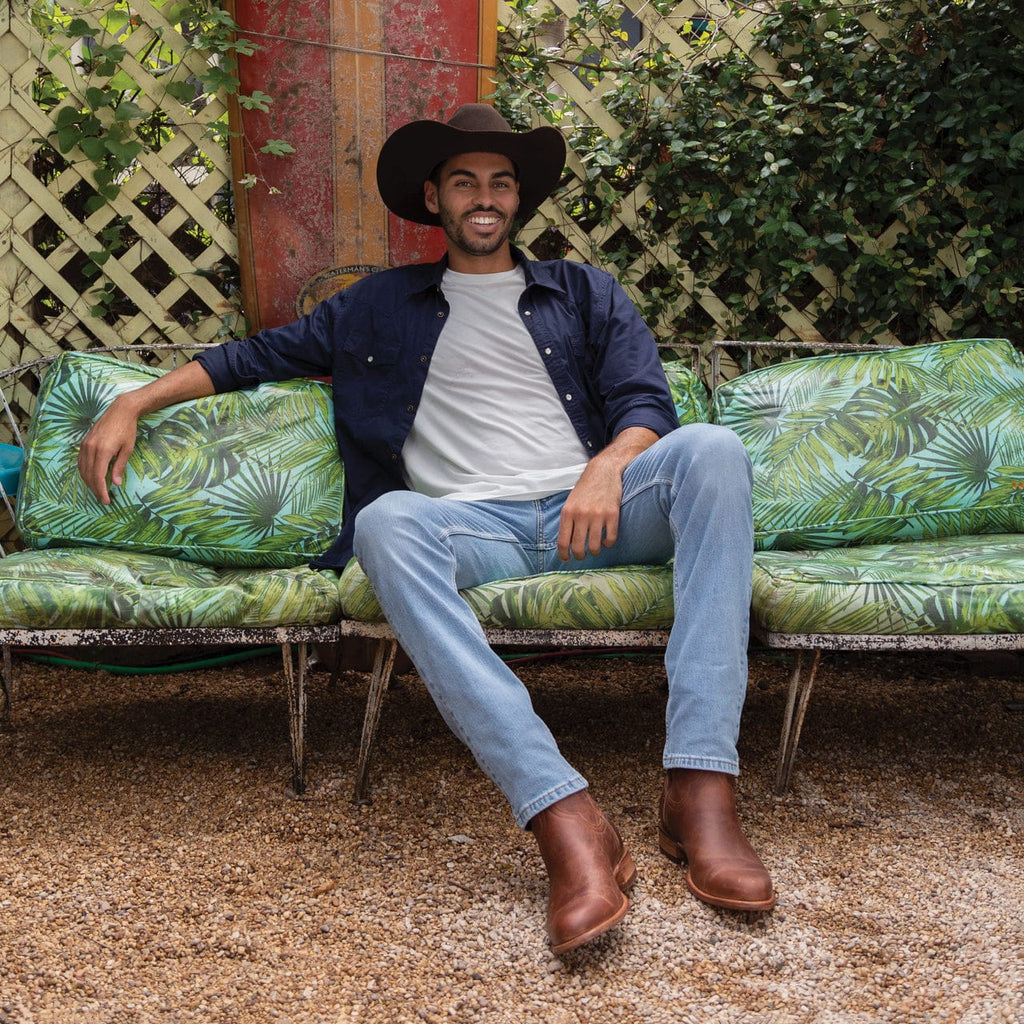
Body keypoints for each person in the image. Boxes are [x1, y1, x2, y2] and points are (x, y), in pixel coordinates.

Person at [78, 103, 774, 955]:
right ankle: (566, 817)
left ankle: (700, 789)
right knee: (385, 522)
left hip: (593, 514)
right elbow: (249, 358)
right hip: (471, 528)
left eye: (500, 182)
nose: (485, 196)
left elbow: (645, 402)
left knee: (713, 451)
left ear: (517, 199)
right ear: (434, 198)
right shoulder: (376, 306)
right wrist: (132, 401)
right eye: (465, 181)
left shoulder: (584, 291)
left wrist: (609, 464)